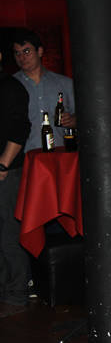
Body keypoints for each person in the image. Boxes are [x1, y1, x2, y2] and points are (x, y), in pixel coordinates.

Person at [0, 49, 32, 309]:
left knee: (9, 235)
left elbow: (20, 129)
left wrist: (3, 163)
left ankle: (18, 294)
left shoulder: (10, 87)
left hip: (7, 171)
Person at [12, 28, 76, 152]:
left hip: (60, 153)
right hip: (24, 156)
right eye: (17, 53)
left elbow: (85, 118)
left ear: (39, 51)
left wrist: (73, 121)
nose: (22, 57)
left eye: (26, 51)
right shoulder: (11, 86)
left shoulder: (64, 84)